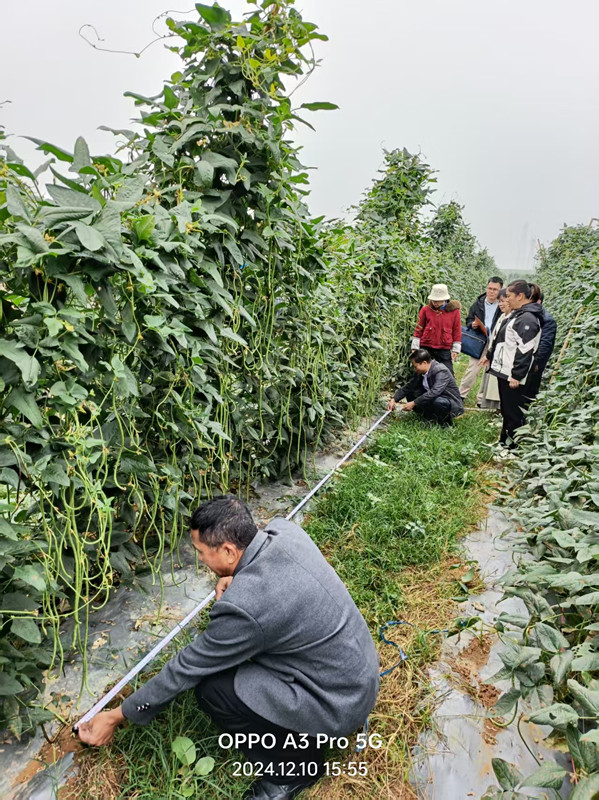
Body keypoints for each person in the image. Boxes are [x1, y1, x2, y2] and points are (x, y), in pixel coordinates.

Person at [76, 496, 380, 800]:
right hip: (359, 675)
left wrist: (116, 716)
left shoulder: (244, 608)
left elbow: (186, 668)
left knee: (214, 689)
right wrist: (239, 577)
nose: (201, 562)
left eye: (202, 553)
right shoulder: (285, 531)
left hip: (339, 705)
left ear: (229, 550)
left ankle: (293, 771)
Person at [484, 280, 544, 448]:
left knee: (513, 413)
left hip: (514, 376)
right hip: (507, 371)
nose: (506, 299)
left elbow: (525, 351)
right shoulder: (520, 314)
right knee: (507, 410)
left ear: (520, 296)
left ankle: (512, 447)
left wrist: (516, 375)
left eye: (509, 296)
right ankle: (504, 442)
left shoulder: (527, 319)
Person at [387, 348, 464, 426]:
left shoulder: (441, 371)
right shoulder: (420, 372)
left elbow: (435, 392)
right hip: (432, 398)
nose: (414, 369)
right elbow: (408, 386)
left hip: (448, 401)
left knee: (438, 402)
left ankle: (445, 423)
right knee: (411, 393)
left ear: (424, 363)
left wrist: (414, 403)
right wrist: (394, 399)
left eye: (415, 366)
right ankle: (429, 417)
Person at [459, 276, 504, 400]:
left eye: (495, 289)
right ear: (486, 288)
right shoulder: (478, 303)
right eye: (490, 288)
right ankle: (461, 394)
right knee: (473, 368)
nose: (491, 291)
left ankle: (482, 398)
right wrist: (472, 324)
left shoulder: (503, 304)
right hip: (480, 340)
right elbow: (469, 319)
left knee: (490, 370)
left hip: (495, 341)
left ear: (500, 290)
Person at [411, 283, 462, 375]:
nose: (435, 302)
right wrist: (415, 347)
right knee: (421, 373)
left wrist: (455, 349)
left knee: (448, 373)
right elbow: (418, 328)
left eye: (438, 300)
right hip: (426, 346)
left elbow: (456, 330)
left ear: (445, 299)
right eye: (433, 300)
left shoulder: (454, 312)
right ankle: (420, 389)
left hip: (444, 347)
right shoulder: (425, 310)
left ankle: (445, 389)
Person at [478, 289, 511, 410]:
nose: (501, 304)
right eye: (499, 301)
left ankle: (498, 409)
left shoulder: (511, 319)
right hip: (495, 356)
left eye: (503, 301)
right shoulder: (503, 316)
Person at [523, 289, 557, 401]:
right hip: (523, 360)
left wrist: (536, 362)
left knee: (529, 391)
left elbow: (545, 345)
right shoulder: (527, 315)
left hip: (534, 364)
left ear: (538, 301)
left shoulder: (547, 320)